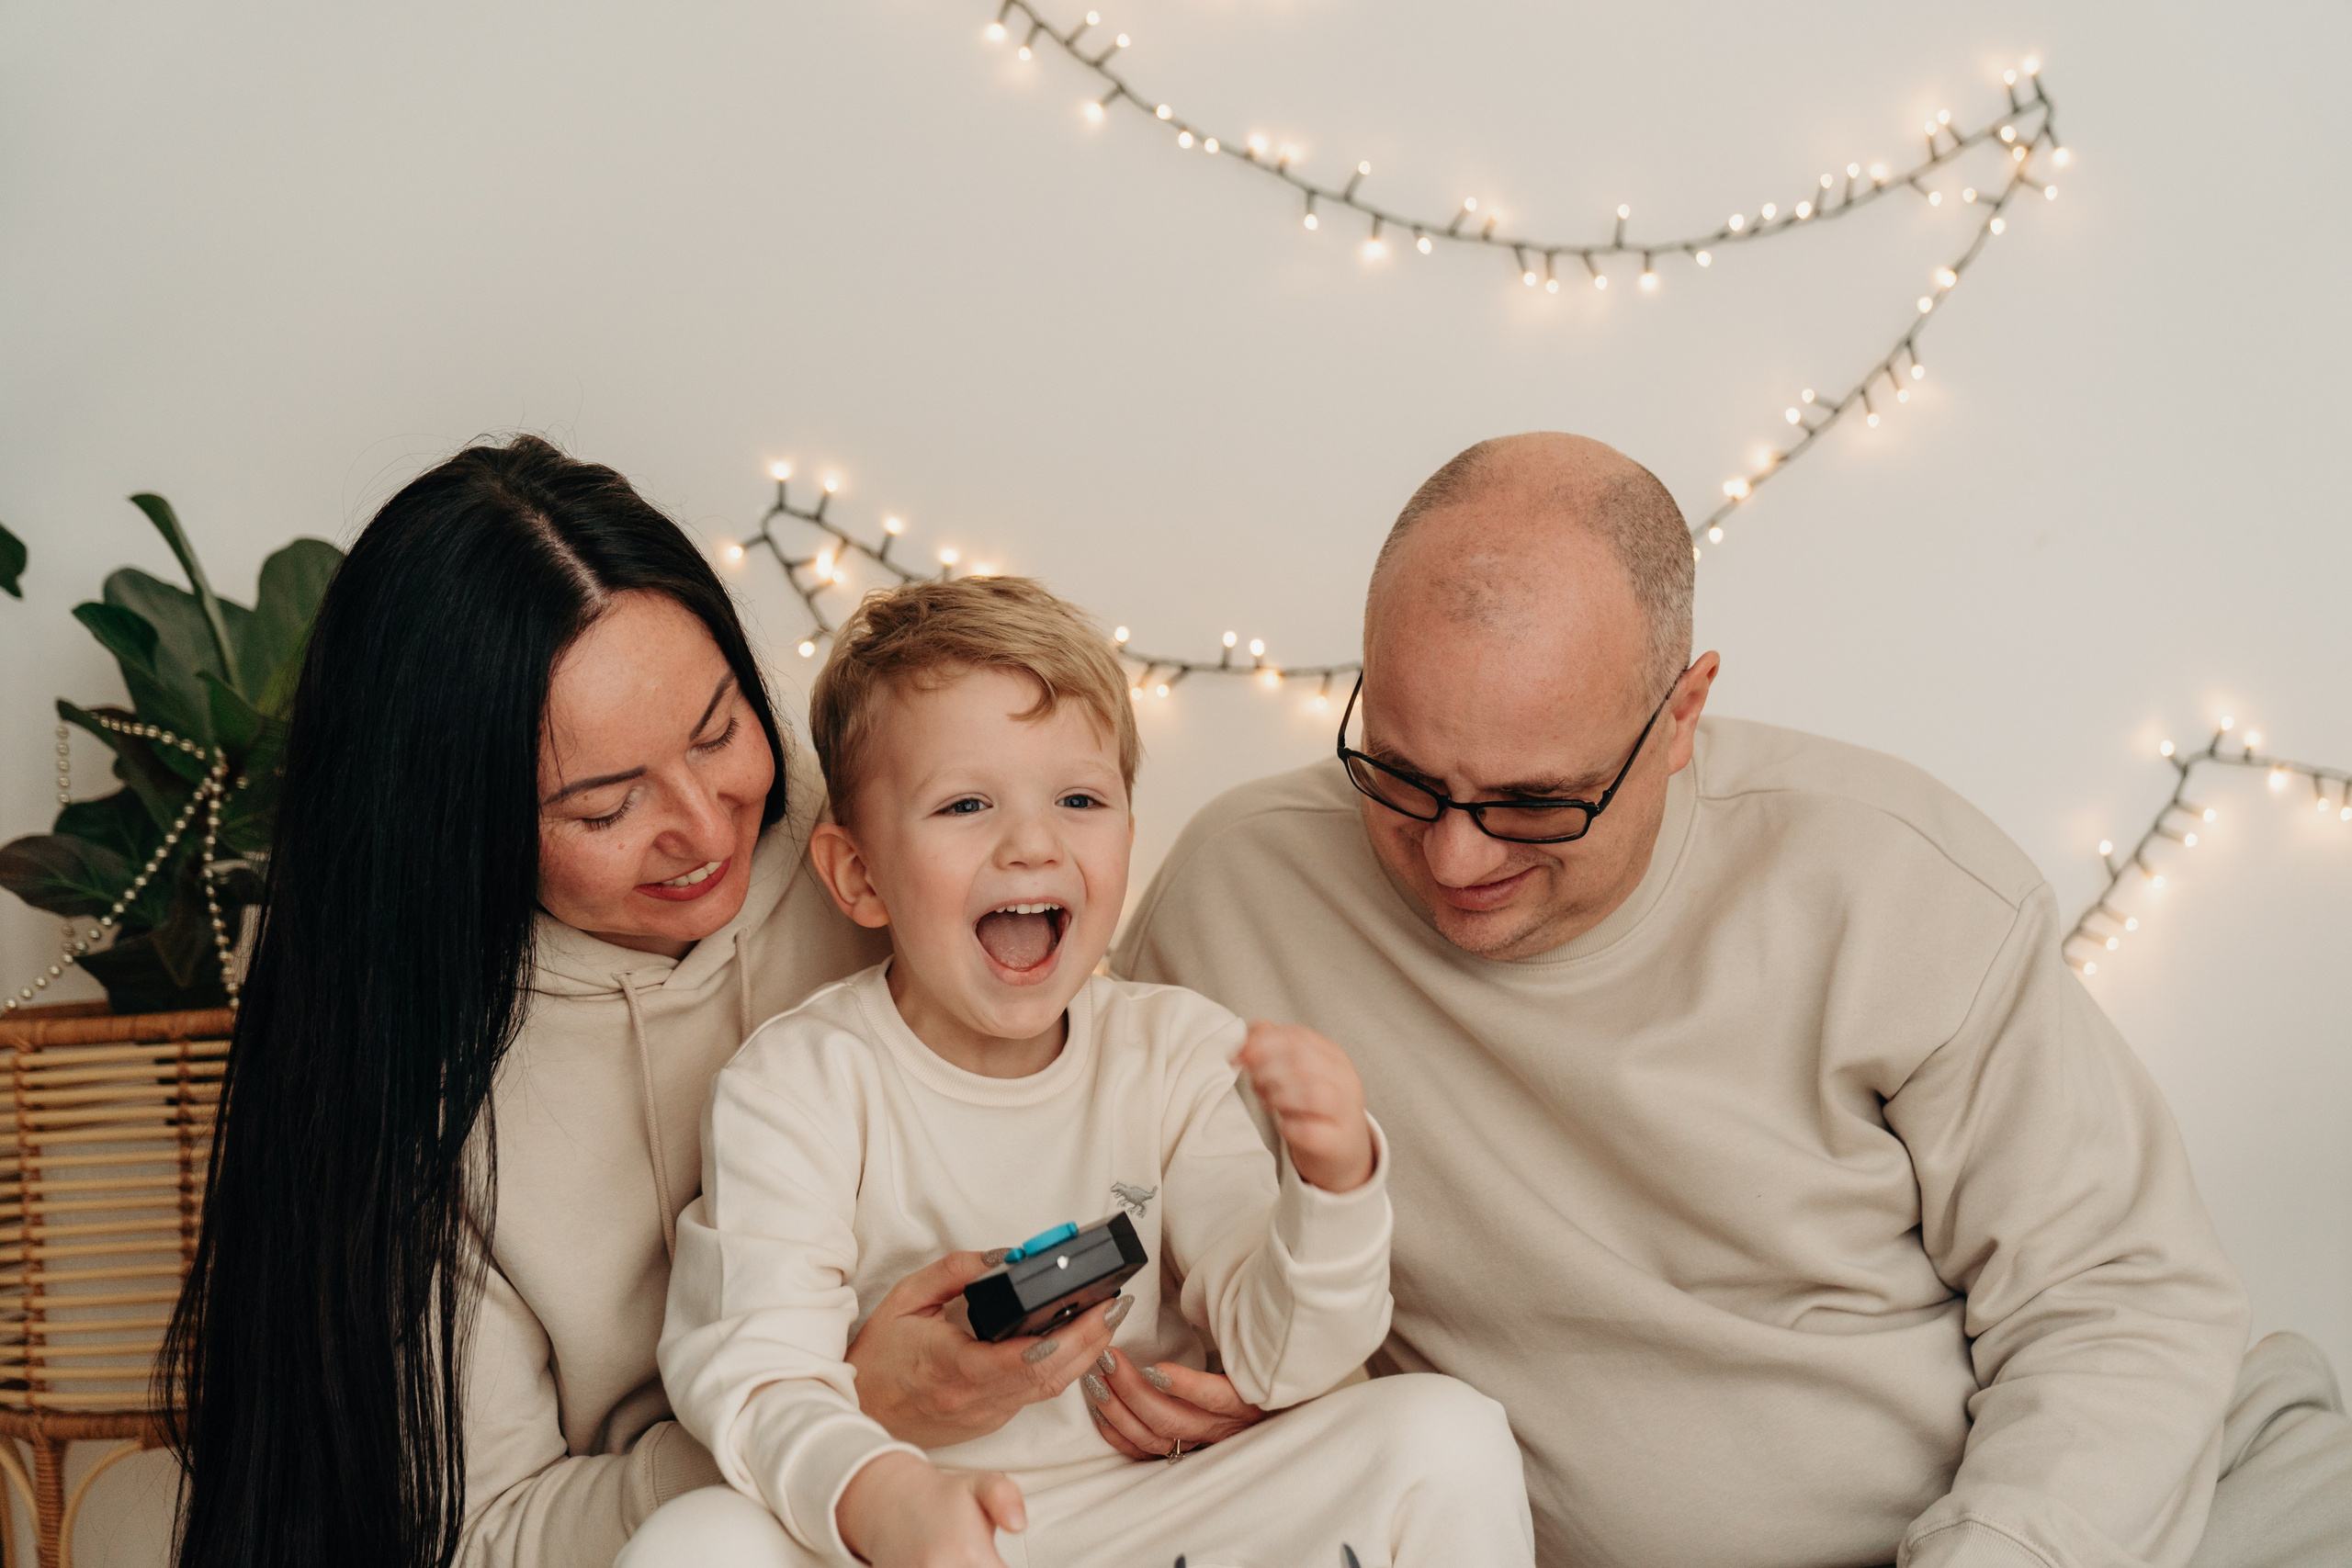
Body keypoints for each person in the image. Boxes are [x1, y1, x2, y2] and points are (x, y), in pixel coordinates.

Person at [1114, 432, 2352, 1568]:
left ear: (1681, 716)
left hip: (2119, 1516)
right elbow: (1102, 1223)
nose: (1455, 858)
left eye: (1536, 802)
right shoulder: (1237, 890)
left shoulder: (1892, 881)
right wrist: (1226, 1375)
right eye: (1398, 775)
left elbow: (2120, 1299)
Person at [636, 577, 1532, 1567]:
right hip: (917, 1523)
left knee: (1446, 1432)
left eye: (1078, 799)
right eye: (966, 803)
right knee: (695, 1541)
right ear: (857, 875)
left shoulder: (1177, 1052)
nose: (1032, 842)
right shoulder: (796, 1083)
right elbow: (758, 1375)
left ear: (1126, 839)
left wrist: (1335, 1187)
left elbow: (1285, 1357)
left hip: (1154, 1513)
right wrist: (883, 1498)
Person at [162, 436, 899, 1568]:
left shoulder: (878, 842)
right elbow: (492, 1533)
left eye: (718, 732)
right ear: (452, 829)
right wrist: (839, 1419)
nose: (707, 830)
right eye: (604, 808)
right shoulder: (404, 1068)